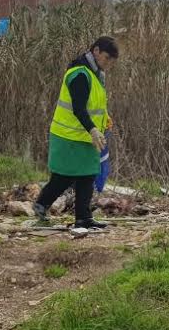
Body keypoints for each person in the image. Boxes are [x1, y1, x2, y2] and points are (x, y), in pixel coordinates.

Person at [34, 36, 119, 229]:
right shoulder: (80, 73)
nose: (108, 64)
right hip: (68, 135)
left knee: (87, 176)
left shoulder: (97, 74)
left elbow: (95, 104)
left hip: (87, 137)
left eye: (111, 62)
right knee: (65, 176)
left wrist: (105, 118)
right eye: (106, 58)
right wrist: (93, 129)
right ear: (96, 51)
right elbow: (78, 108)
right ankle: (41, 204)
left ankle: (83, 218)